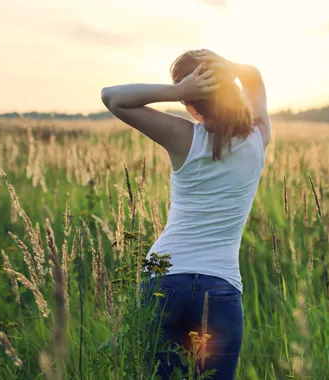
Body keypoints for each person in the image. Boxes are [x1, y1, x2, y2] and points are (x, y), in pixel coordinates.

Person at [101, 49, 270, 380]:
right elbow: (256, 80)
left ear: (192, 102)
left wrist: (177, 91)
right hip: (220, 290)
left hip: (165, 281)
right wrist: (232, 69)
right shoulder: (259, 138)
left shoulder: (184, 137)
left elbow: (112, 98)